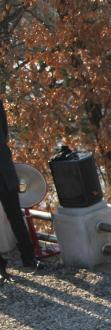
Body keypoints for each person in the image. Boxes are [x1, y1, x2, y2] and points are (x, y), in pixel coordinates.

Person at [0, 97, 40, 283]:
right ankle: (4, 267)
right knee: (15, 216)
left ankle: (29, 258)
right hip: (4, 168)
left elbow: (4, 134)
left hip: (4, 171)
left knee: (15, 215)